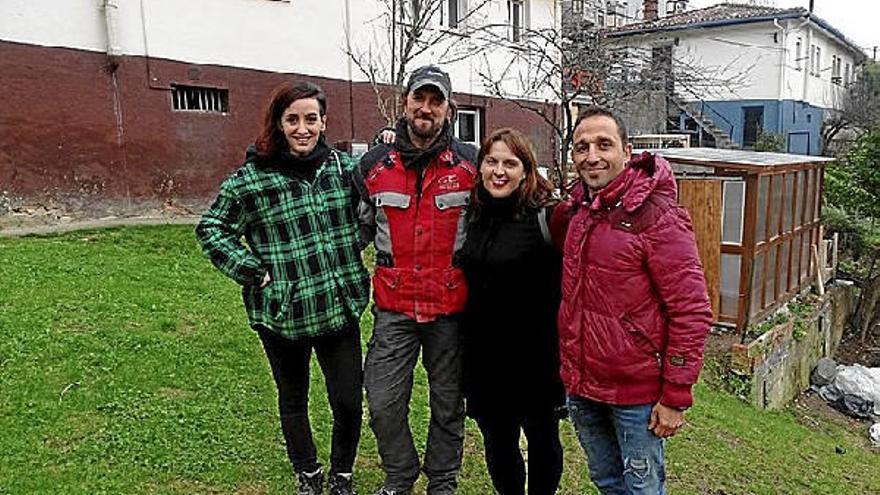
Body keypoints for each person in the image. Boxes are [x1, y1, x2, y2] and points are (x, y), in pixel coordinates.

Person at [196, 81, 370, 495]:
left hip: (337, 307)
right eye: (293, 119)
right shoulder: (252, 180)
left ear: (324, 122)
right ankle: (307, 473)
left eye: (311, 119)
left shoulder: (344, 170)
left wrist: (350, 252)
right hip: (281, 312)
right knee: (294, 399)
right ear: (279, 123)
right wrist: (251, 270)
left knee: (347, 401)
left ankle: (341, 473)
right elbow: (211, 228)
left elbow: (370, 217)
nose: (303, 128)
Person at [555, 107, 713, 494]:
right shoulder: (578, 213)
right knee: (607, 481)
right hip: (583, 386)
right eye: (582, 147)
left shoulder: (658, 217)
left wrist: (675, 394)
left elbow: (691, 309)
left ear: (627, 152)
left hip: (636, 394)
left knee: (642, 489)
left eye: (603, 144)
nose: (592, 155)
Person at [354, 65, 478, 495]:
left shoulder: (472, 165)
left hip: (450, 309)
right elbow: (355, 232)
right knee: (384, 401)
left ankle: (442, 479)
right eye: (419, 99)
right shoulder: (372, 166)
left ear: (449, 108)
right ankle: (400, 474)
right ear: (404, 102)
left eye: (436, 100)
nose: (426, 108)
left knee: (448, 403)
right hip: (395, 308)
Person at [458, 128, 565, 495]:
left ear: (526, 170)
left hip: (536, 359)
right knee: (498, 442)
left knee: (542, 441)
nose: (499, 171)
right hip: (485, 356)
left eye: (510, 163)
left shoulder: (546, 216)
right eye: (491, 161)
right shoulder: (474, 213)